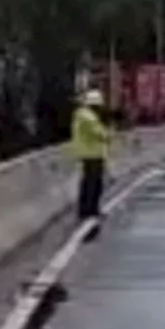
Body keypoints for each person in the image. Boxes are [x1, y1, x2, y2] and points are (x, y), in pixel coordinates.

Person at [71, 89, 111, 236]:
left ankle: (89, 210)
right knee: (93, 184)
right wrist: (108, 132)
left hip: (90, 154)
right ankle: (89, 210)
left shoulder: (84, 115)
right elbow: (100, 134)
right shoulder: (88, 117)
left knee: (90, 183)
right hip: (91, 154)